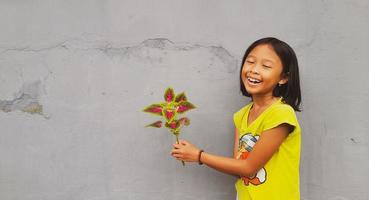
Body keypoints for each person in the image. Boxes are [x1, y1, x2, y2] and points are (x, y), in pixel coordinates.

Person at [171, 37, 302, 200]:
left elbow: (248, 168)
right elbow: (239, 169)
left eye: (266, 66)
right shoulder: (241, 115)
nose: (254, 70)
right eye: (250, 62)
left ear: (283, 78)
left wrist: (199, 155)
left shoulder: (281, 113)